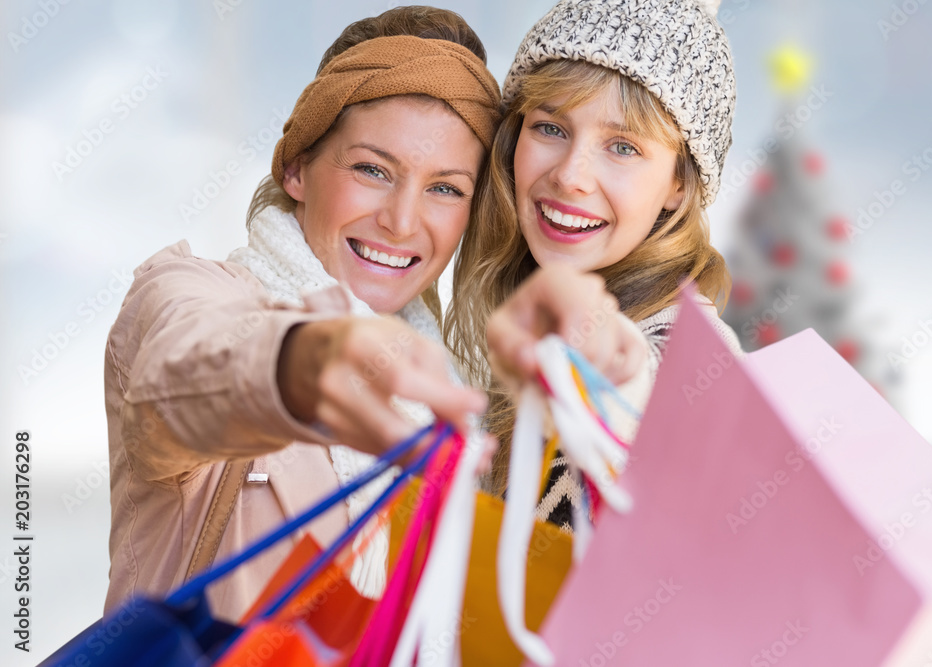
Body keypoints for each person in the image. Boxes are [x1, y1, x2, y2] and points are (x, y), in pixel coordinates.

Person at [105, 4, 646, 624]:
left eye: (445, 188)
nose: (401, 220)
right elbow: (179, 376)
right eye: (371, 169)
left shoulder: (452, 396)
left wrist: (608, 373)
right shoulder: (186, 292)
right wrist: (300, 365)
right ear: (297, 167)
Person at [445, 0, 745, 529]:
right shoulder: (499, 328)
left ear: (679, 184)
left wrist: (602, 358)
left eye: (623, 147)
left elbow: (648, 391)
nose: (570, 176)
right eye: (551, 129)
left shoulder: (694, 353)